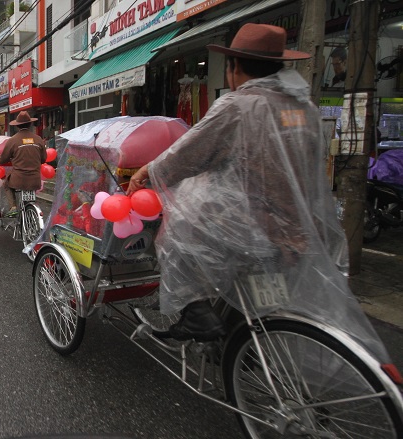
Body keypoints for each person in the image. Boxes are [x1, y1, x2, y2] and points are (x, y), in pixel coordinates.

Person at [127, 23, 350, 342]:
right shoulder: (305, 108)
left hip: (247, 226)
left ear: (234, 68)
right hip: (295, 229)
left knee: (176, 236)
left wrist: (147, 171)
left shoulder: (239, 105)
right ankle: (238, 341)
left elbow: (186, 155)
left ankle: (197, 315)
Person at [0, 111, 46, 217]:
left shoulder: (13, 140)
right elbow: (43, 159)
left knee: (6, 184)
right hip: (35, 179)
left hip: (18, 179)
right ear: (30, 124)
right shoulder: (38, 139)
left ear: (17, 126)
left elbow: (3, 159)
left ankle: (13, 206)